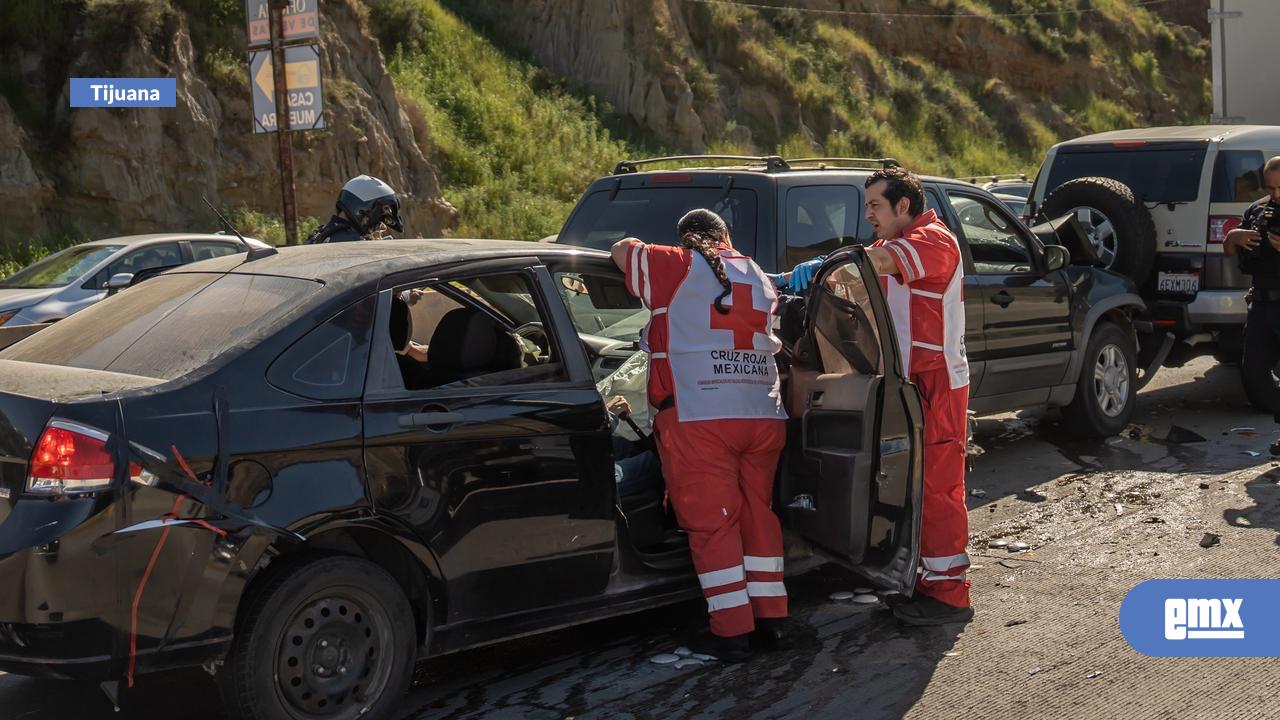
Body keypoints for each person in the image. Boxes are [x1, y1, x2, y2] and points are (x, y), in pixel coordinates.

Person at [611, 209, 789, 662]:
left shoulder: (677, 264)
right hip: (763, 414)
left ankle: (731, 634)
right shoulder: (758, 277)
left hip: (700, 416)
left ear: (688, 240)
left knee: (713, 525)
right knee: (757, 516)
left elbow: (621, 251)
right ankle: (773, 621)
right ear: (726, 238)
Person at [859, 165, 974, 626]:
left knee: (938, 487)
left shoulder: (933, 240)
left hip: (938, 382)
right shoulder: (892, 243)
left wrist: (835, 264)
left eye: (875, 205)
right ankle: (920, 579)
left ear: (903, 205)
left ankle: (949, 594)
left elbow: (876, 266)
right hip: (910, 381)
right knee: (912, 487)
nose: (868, 214)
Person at [1223, 156, 1280, 455]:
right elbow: (1229, 248)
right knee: (1255, 374)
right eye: (1271, 188)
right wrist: (1235, 236)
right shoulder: (1256, 210)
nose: (1276, 194)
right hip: (1260, 303)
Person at [305, 174, 404, 244]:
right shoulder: (352, 244)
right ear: (364, 211)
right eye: (378, 219)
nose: (381, 226)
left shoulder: (322, 234)